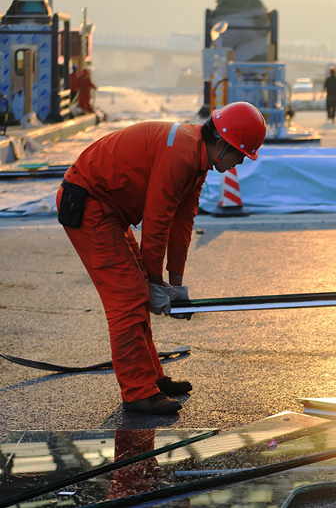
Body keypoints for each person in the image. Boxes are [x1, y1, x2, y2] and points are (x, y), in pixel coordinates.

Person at [56, 102, 267, 414]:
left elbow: (183, 223)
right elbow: (156, 223)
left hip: (107, 207)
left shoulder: (198, 159)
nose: (237, 164)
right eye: (240, 155)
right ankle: (138, 392)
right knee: (129, 296)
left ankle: (152, 379)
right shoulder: (180, 155)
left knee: (138, 293)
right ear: (222, 145)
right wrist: (155, 282)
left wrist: (175, 285)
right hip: (89, 204)